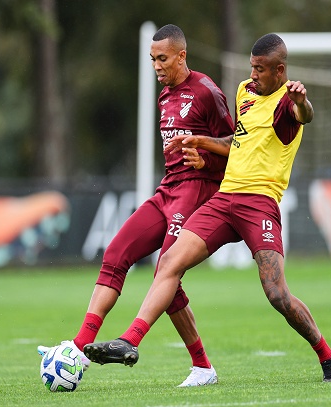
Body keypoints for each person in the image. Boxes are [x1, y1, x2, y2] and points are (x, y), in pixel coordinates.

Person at [83, 33, 331, 383]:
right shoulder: (245, 92)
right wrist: (200, 140)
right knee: (170, 263)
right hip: (224, 200)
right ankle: (129, 341)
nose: (253, 75)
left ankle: (328, 358)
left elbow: (305, 116)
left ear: (280, 70)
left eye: (260, 69)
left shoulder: (288, 104)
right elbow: (237, 142)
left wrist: (303, 101)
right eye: (252, 67)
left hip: (259, 205)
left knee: (277, 294)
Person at [38, 24, 234, 387]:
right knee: (116, 252)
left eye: (162, 59)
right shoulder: (164, 97)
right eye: (152, 59)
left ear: (181, 55)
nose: (157, 66)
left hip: (197, 193)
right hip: (167, 191)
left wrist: (206, 156)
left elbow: (235, 145)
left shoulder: (207, 92)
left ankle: (193, 363)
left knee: (166, 270)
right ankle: (80, 346)